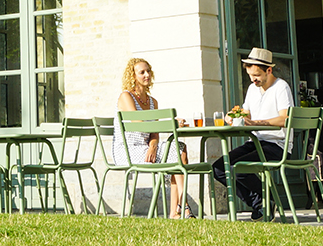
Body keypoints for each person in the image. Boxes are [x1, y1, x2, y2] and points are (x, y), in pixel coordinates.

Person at [211, 47, 293, 220]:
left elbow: (285, 119)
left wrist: (256, 123)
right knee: (219, 168)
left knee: (239, 168)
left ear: (268, 70)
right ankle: (261, 203)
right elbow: (246, 113)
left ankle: (266, 201)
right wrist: (234, 116)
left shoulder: (281, 87)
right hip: (255, 141)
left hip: (277, 144)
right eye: (250, 75)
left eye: (256, 75)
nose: (253, 79)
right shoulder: (252, 89)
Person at [111, 57, 191, 217]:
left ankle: (176, 210)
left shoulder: (153, 101)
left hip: (146, 148)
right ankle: (183, 206)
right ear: (133, 76)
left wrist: (153, 146)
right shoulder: (125, 97)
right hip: (127, 150)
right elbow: (140, 124)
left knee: (180, 149)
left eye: (148, 71)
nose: (146, 75)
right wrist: (171, 123)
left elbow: (153, 133)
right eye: (142, 72)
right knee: (176, 152)